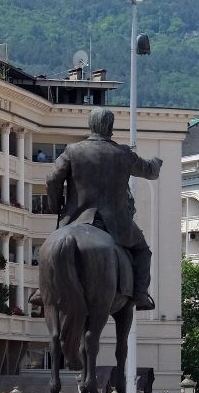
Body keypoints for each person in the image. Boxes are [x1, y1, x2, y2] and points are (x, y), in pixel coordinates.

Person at [45, 107, 162, 311]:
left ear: (90, 125)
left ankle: (43, 291)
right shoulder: (123, 153)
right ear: (110, 127)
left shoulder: (72, 151)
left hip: (76, 220)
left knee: (51, 249)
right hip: (116, 223)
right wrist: (157, 162)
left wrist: (55, 206)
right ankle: (141, 293)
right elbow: (150, 172)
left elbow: (52, 179)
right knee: (143, 251)